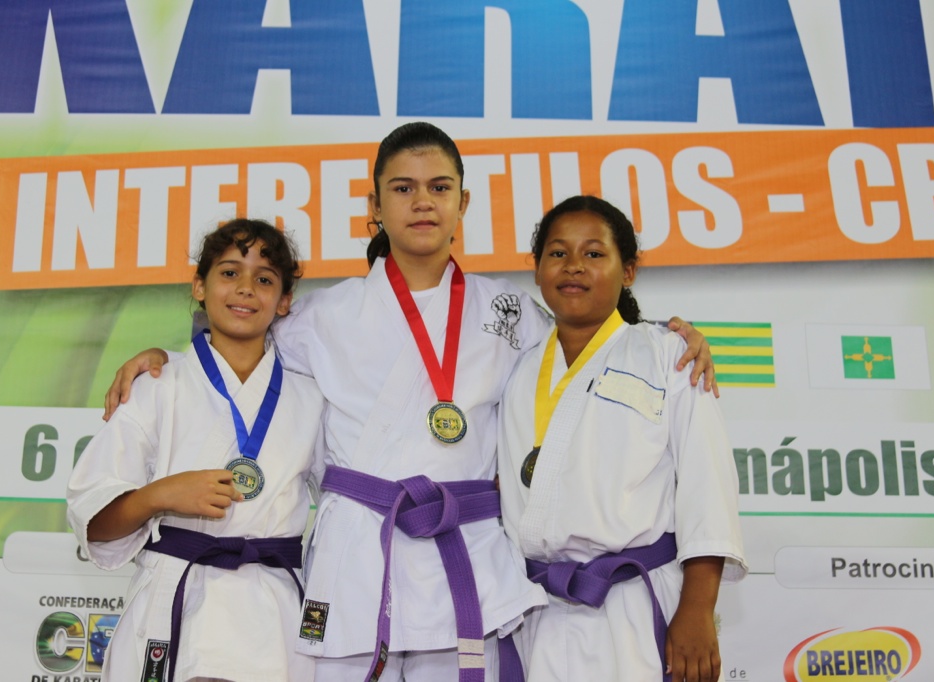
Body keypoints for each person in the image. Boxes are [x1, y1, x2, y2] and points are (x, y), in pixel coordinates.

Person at [103, 123, 716, 682]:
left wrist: (664, 336)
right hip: (356, 556)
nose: (422, 201)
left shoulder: (509, 312)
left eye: (439, 187)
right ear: (374, 207)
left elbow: (585, 342)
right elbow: (241, 350)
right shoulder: (322, 316)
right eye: (403, 188)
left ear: (463, 204)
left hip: (466, 553)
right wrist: (166, 356)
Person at [497, 196, 747, 682]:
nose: (574, 265)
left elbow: (708, 488)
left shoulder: (669, 356)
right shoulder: (515, 367)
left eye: (594, 253)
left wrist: (697, 609)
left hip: (633, 602)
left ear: (628, 271)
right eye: (557, 253)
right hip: (535, 605)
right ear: (536, 269)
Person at [68, 219, 323, 682]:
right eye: (229, 273)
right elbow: (95, 523)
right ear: (199, 286)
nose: (245, 288)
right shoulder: (156, 386)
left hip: (274, 616)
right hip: (176, 602)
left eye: (265, 279)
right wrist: (159, 495)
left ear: (284, 301)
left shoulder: (311, 398)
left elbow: (344, 504)